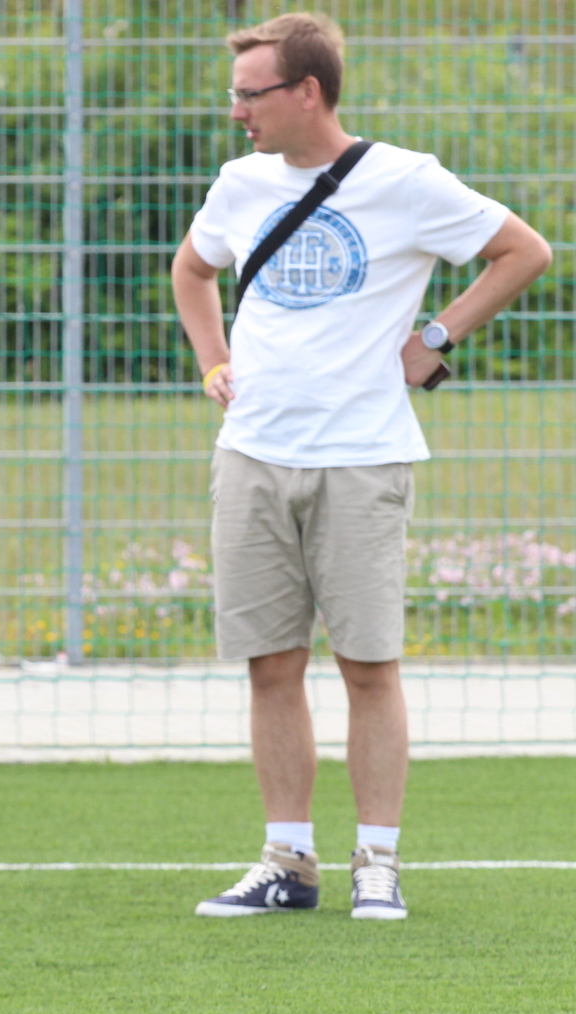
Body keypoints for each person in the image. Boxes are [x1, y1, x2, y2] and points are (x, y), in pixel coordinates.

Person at [172, 13, 552, 921]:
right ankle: (286, 862)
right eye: (236, 94)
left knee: (370, 666)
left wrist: (434, 338)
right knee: (270, 664)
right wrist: (212, 361)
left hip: (365, 457)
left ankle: (375, 863)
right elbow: (192, 271)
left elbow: (524, 251)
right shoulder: (240, 182)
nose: (238, 112)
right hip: (254, 452)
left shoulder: (406, 181)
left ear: (308, 91)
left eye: (251, 93)